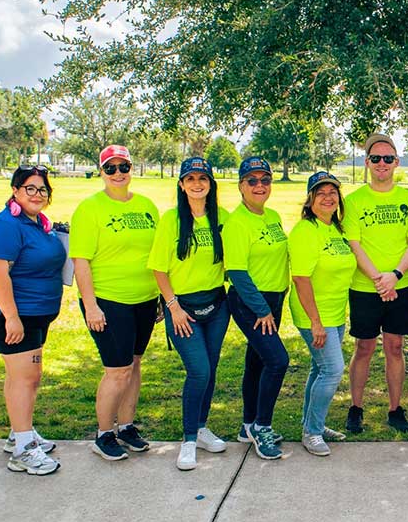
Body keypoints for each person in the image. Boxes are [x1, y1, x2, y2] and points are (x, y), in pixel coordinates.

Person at [71, 145, 160, 462]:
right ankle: (103, 433)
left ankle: (126, 427)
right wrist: (91, 305)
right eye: (111, 168)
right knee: (117, 370)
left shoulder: (148, 207)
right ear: (101, 172)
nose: (118, 173)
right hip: (109, 301)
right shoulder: (90, 209)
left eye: (124, 167)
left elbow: (156, 255)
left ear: (132, 169)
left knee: (134, 365)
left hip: (145, 300)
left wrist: (160, 296)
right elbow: (80, 262)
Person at [0, 165, 66, 475]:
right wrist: (11, 318)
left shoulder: (38, 224)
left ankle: (19, 432)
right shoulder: (5, 226)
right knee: (27, 378)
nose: (37, 194)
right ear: (15, 190)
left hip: (35, 315)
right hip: (13, 316)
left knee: (23, 377)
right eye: (30, 188)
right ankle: (23, 451)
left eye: (42, 189)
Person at [148, 157, 230, 471]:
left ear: (211, 184)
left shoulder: (221, 218)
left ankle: (202, 427)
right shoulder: (171, 220)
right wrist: (173, 307)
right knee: (198, 371)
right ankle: (188, 441)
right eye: (191, 179)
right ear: (181, 184)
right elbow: (159, 267)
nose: (197, 184)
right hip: (182, 309)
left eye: (203, 179)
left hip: (217, 306)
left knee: (210, 368)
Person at [344, 134, 408, 434]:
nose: (382, 164)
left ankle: (395, 408)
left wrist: (395, 276)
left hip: (399, 287)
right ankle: (356, 407)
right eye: (375, 159)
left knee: (395, 345)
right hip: (365, 288)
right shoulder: (353, 201)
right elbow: (354, 244)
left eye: (388, 159)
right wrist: (379, 279)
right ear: (367, 163)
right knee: (363, 347)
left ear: (396, 162)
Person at [222, 157, 290, 460]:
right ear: (241, 186)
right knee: (277, 360)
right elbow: (236, 272)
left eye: (265, 179)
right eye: (252, 180)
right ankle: (262, 427)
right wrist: (262, 309)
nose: (260, 186)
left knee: (258, 361)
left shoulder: (272, 216)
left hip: (275, 297)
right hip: (251, 301)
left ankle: (247, 424)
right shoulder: (237, 222)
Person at [288, 171, 357, 457]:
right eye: (321, 193)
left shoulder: (337, 230)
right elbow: (301, 279)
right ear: (310, 199)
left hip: (335, 313)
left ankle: (312, 423)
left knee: (319, 369)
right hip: (314, 315)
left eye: (333, 192)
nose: (328, 197)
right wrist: (316, 322)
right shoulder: (306, 231)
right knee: (332, 370)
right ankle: (312, 432)